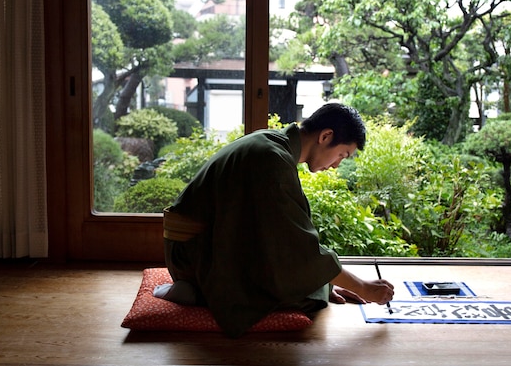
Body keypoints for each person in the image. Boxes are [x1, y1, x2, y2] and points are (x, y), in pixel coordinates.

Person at [155, 103, 394, 337]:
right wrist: (362, 287)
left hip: (198, 246)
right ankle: (199, 291)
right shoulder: (271, 158)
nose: (336, 165)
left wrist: (324, 281)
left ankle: (199, 289)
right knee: (298, 295)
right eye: (342, 154)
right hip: (193, 257)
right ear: (326, 136)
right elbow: (298, 250)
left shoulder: (272, 144)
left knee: (309, 283)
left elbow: (270, 237)